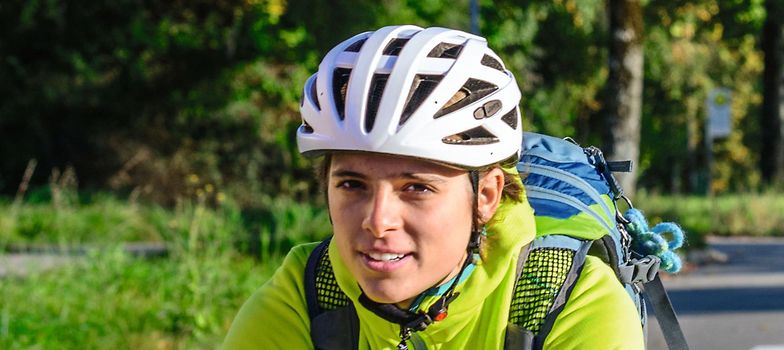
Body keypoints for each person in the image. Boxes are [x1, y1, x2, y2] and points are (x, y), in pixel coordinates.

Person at [221, 25, 642, 349]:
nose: (377, 221)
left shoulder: (566, 300)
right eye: (352, 184)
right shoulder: (309, 293)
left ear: (487, 196)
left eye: (416, 188)